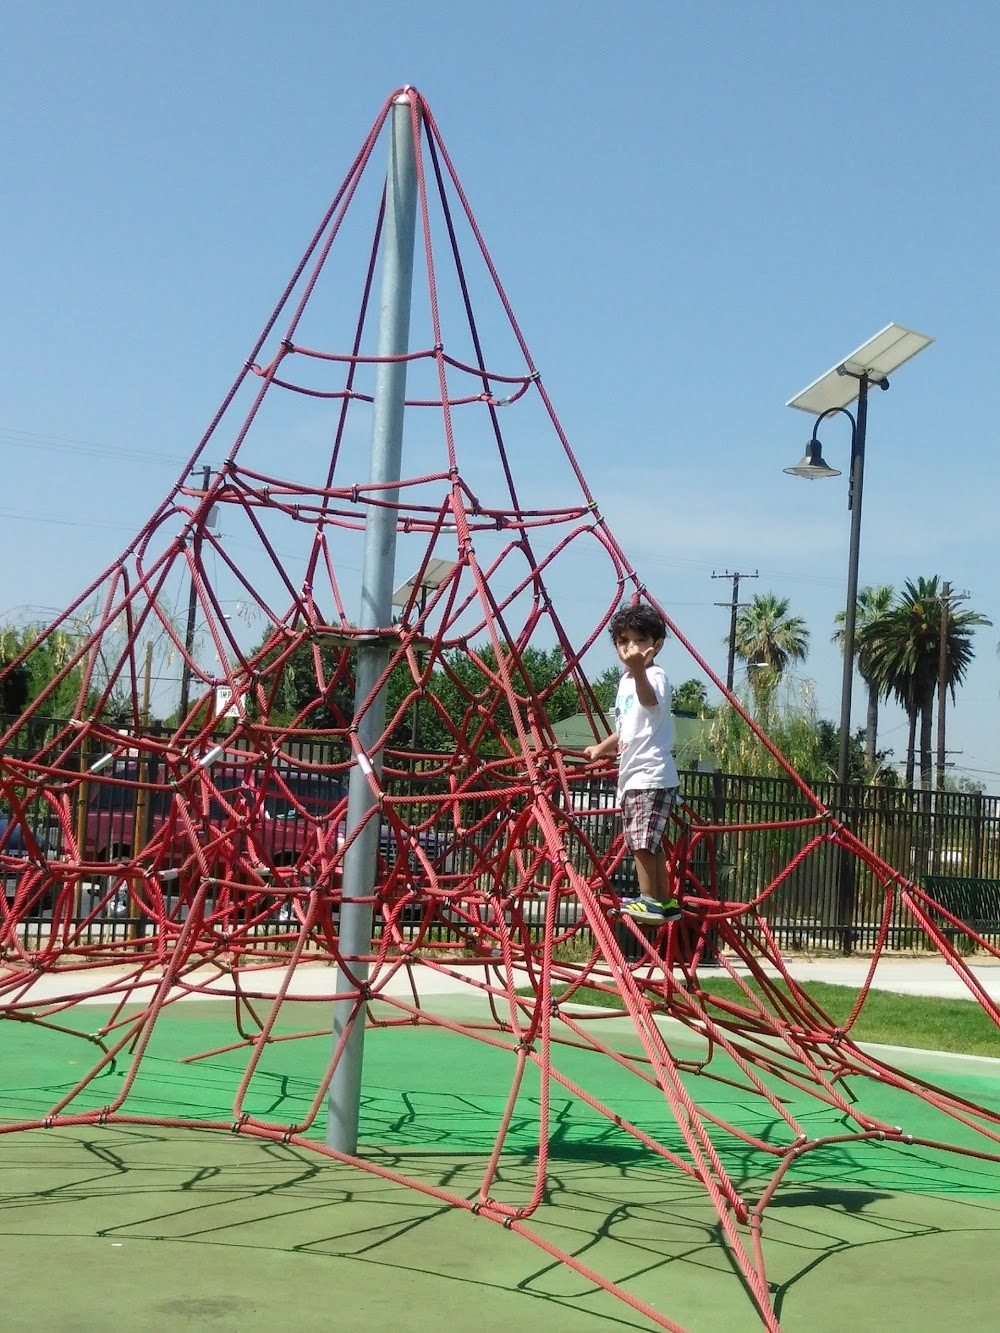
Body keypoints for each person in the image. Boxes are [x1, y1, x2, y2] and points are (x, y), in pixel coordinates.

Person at [585, 603, 682, 923]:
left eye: (639, 641)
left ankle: (650, 900)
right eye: (623, 641)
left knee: (641, 841)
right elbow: (627, 726)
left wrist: (640, 670)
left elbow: (650, 700)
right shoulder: (626, 681)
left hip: (650, 773)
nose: (631, 648)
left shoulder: (654, 675)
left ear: (657, 644)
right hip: (635, 774)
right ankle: (664, 902)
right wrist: (602, 747)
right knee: (648, 841)